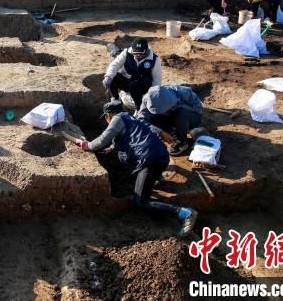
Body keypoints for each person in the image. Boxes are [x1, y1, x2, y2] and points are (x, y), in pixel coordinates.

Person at [78, 100, 198, 237]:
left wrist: (87, 146)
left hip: (150, 160)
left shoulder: (117, 119)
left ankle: (185, 213)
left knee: (140, 201)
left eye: (106, 117)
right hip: (160, 157)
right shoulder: (131, 118)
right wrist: (111, 148)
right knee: (138, 178)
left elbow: (102, 140)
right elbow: (127, 138)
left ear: (108, 115)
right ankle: (153, 180)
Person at [136, 85, 203, 156]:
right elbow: (141, 120)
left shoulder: (183, 92)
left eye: (169, 108)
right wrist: (160, 132)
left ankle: (181, 141)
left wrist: (184, 122)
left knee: (181, 112)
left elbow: (198, 110)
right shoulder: (147, 100)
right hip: (171, 118)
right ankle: (171, 133)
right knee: (152, 118)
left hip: (189, 116)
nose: (167, 111)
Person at [103, 38, 162, 110]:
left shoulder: (155, 60)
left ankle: (139, 109)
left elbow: (157, 80)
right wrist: (108, 76)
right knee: (113, 77)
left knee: (133, 86)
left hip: (144, 85)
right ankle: (116, 100)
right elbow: (115, 65)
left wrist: (153, 96)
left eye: (140, 53)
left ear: (146, 51)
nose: (137, 55)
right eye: (135, 53)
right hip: (129, 80)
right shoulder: (126, 53)